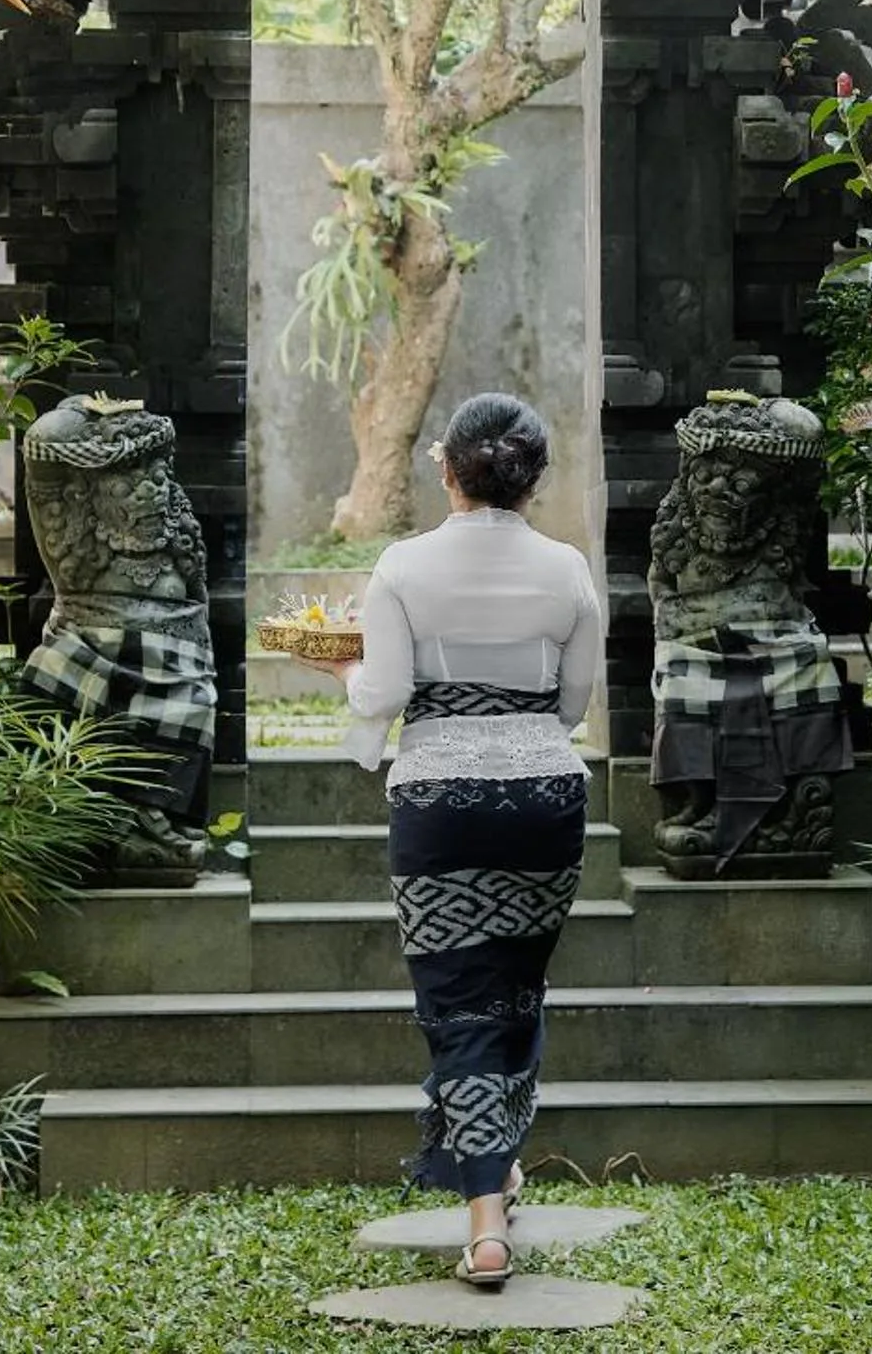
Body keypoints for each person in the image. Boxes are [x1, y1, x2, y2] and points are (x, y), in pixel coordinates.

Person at [300, 393, 600, 1290]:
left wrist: (339, 663)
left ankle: (485, 1228)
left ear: (447, 468)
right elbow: (574, 707)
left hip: (440, 804)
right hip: (547, 799)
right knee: (515, 987)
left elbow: (381, 694)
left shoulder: (402, 565)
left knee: (461, 1004)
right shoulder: (569, 569)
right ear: (532, 476)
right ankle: (498, 1164)